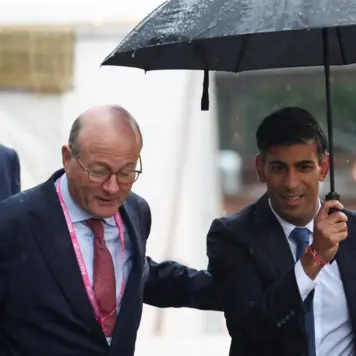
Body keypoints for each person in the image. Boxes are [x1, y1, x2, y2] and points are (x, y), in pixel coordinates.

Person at [0, 105, 221, 356]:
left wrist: (239, 288)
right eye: (99, 172)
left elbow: (137, 276)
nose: (113, 188)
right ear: (67, 157)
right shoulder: (12, 223)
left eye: (127, 172)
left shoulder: (136, 211)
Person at [207, 107, 356, 356]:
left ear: (323, 168)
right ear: (261, 168)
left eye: (303, 168)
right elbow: (248, 330)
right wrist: (314, 259)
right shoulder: (233, 235)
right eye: (279, 168)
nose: (291, 183)